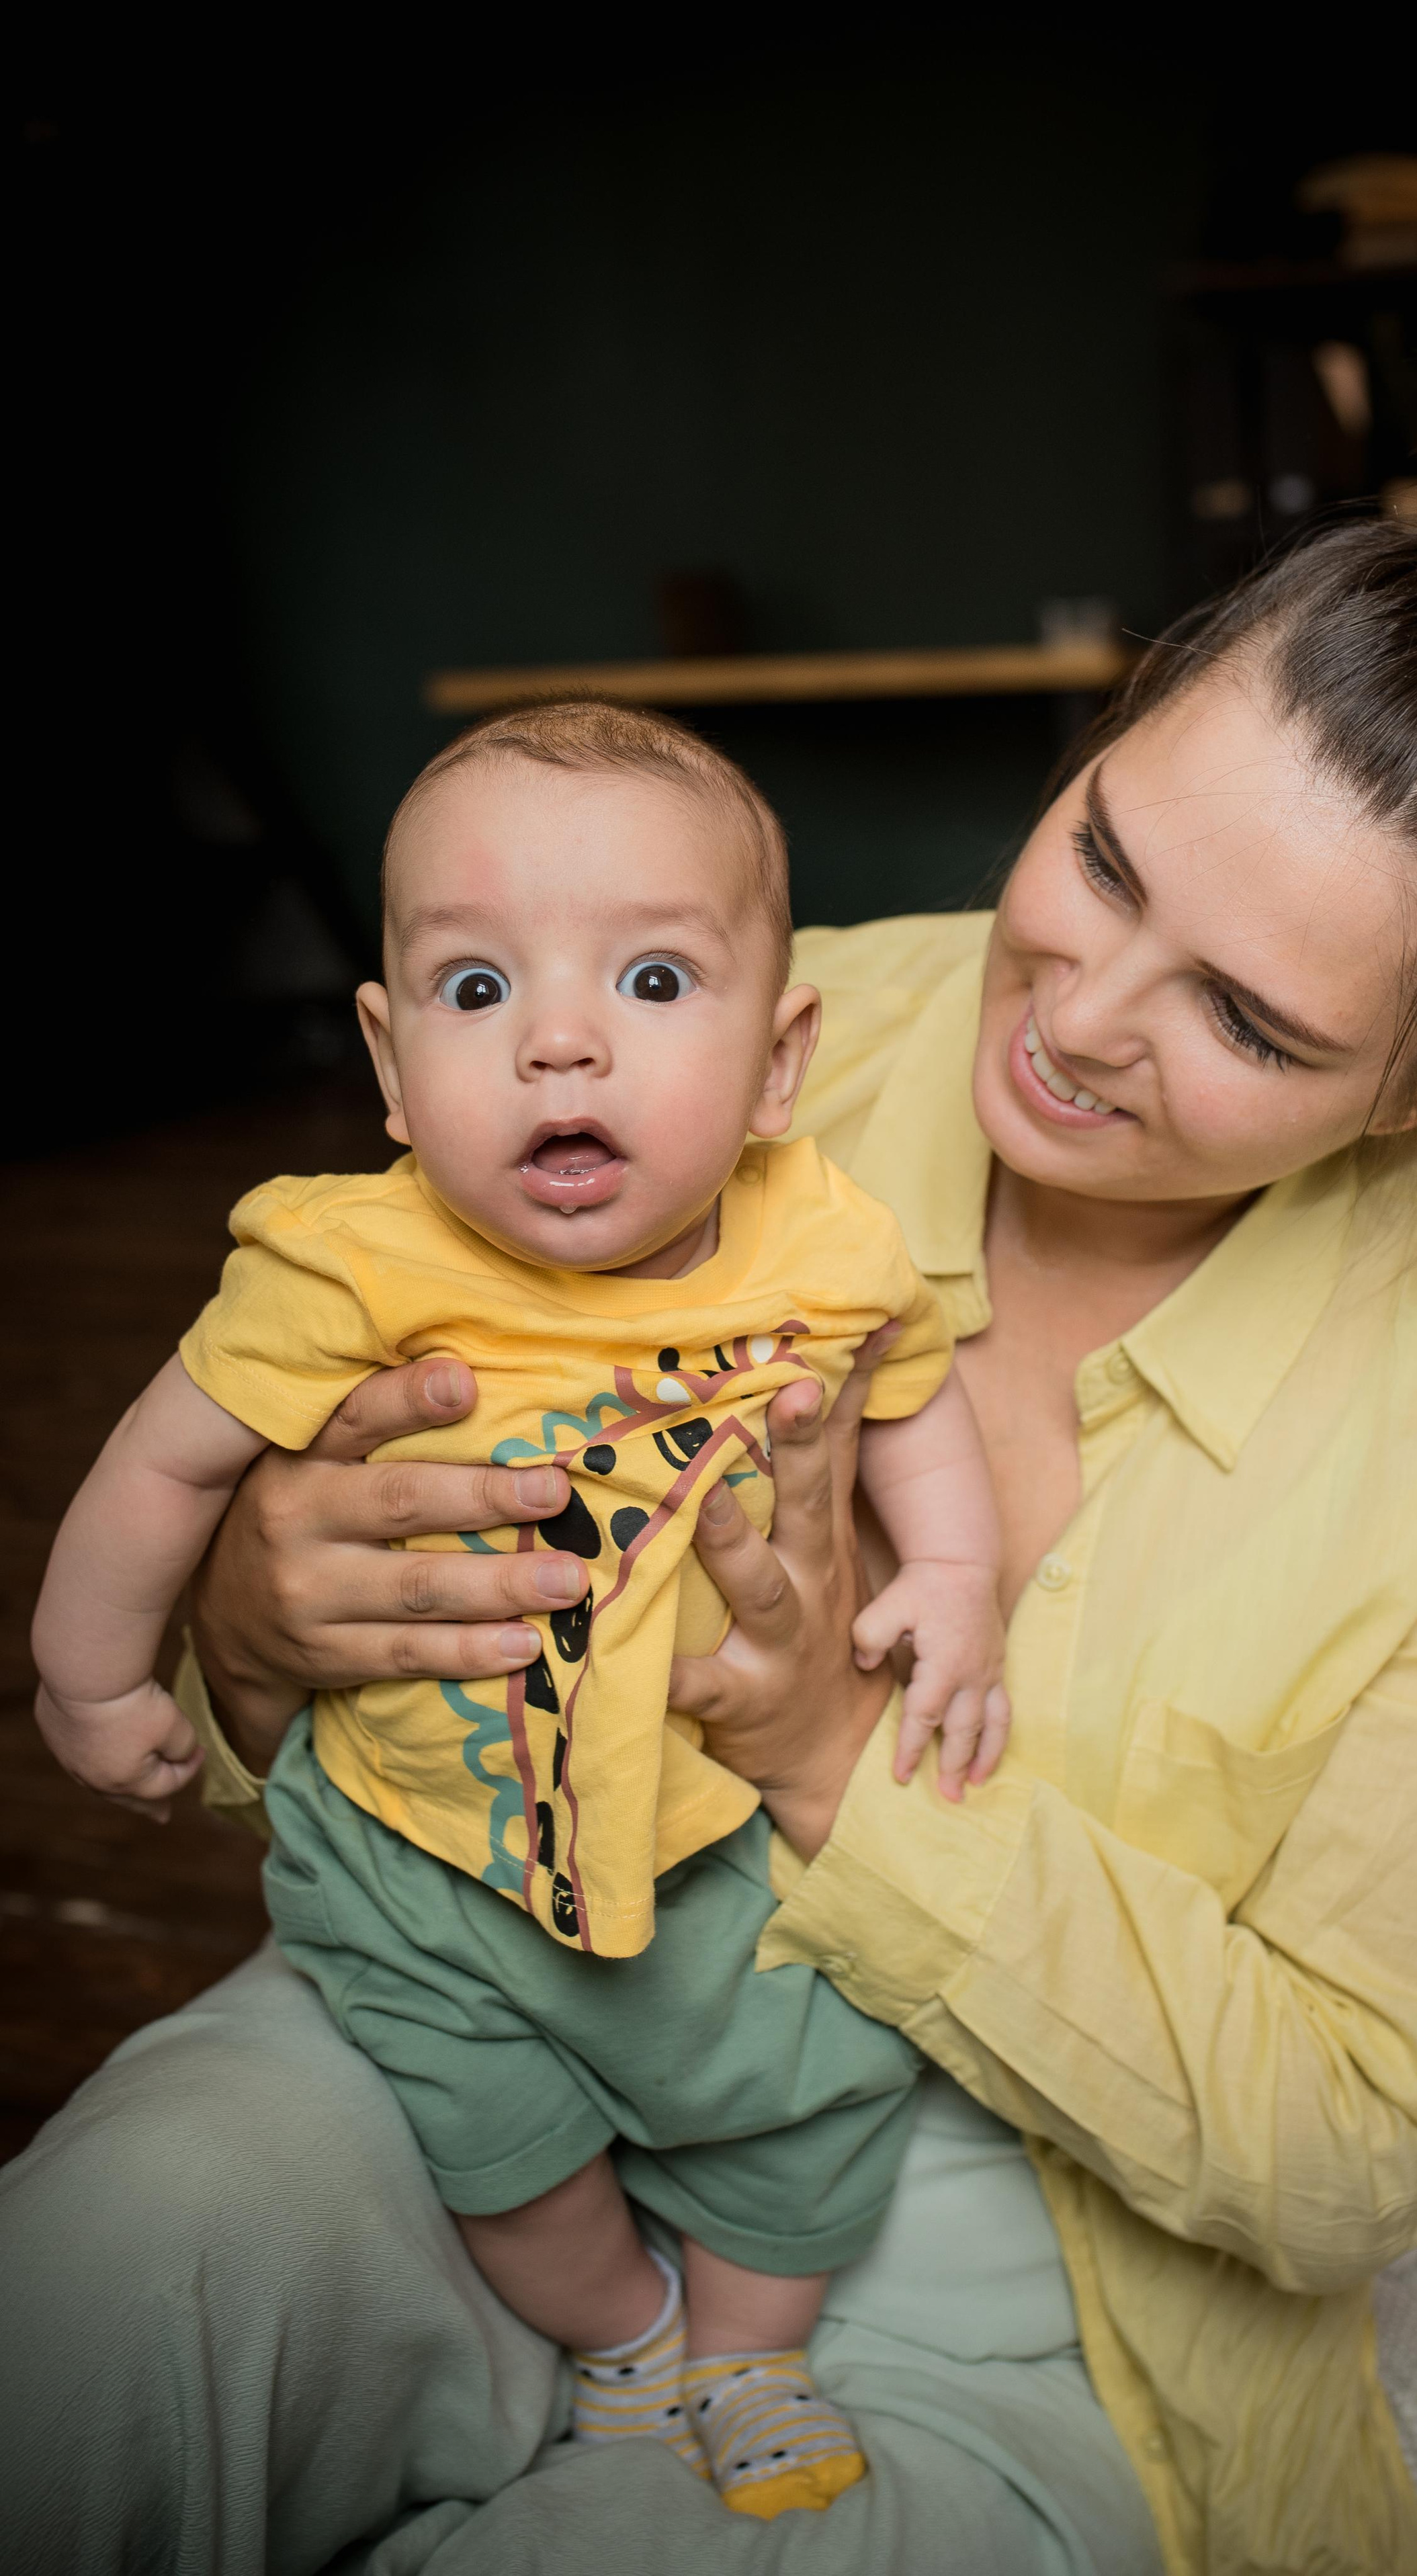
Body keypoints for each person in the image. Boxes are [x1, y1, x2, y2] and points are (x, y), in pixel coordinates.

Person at [3, 327, 1417, 2576]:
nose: (1079, 1016)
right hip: (514, 2004)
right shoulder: (755, 1018)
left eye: (1243, 1015)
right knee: (102, 2282)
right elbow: (303, 1612)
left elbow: (1362, 2157)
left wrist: (832, 1759)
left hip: (1043, 2263)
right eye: (1102, 857)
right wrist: (249, 1623)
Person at [30, 700, 1011, 2522]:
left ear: (780, 1060)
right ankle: (627, 2334)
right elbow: (163, 1464)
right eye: (478, 990)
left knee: (817, 2103)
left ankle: (750, 2350)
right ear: (393, 1067)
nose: (560, 1039)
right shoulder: (348, 1262)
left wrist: (953, 1577)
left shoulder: (824, 1242)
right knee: (498, 2154)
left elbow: (910, 1398)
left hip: (721, 1838)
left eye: (653, 979)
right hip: (424, 1852)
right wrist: (89, 1675)